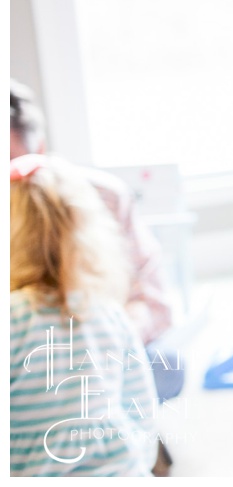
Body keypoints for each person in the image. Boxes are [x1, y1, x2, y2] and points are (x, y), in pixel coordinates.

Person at [10, 78, 181, 474]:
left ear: (38, 149)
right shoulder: (106, 314)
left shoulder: (100, 194)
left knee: (168, 364)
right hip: (120, 459)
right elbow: (139, 423)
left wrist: (77, 350)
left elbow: (156, 307)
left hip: (95, 350)